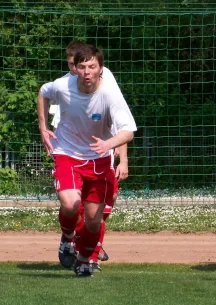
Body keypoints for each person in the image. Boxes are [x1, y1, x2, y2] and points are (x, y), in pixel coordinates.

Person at [38, 44, 136, 277]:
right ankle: (68, 237)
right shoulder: (62, 85)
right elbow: (43, 92)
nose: (86, 71)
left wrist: (109, 145)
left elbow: (128, 131)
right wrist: (43, 128)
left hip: (99, 159)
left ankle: (84, 259)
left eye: (91, 66)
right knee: (71, 203)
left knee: (94, 219)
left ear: (101, 69)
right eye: (81, 67)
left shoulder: (110, 93)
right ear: (75, 69)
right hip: (67, 154)